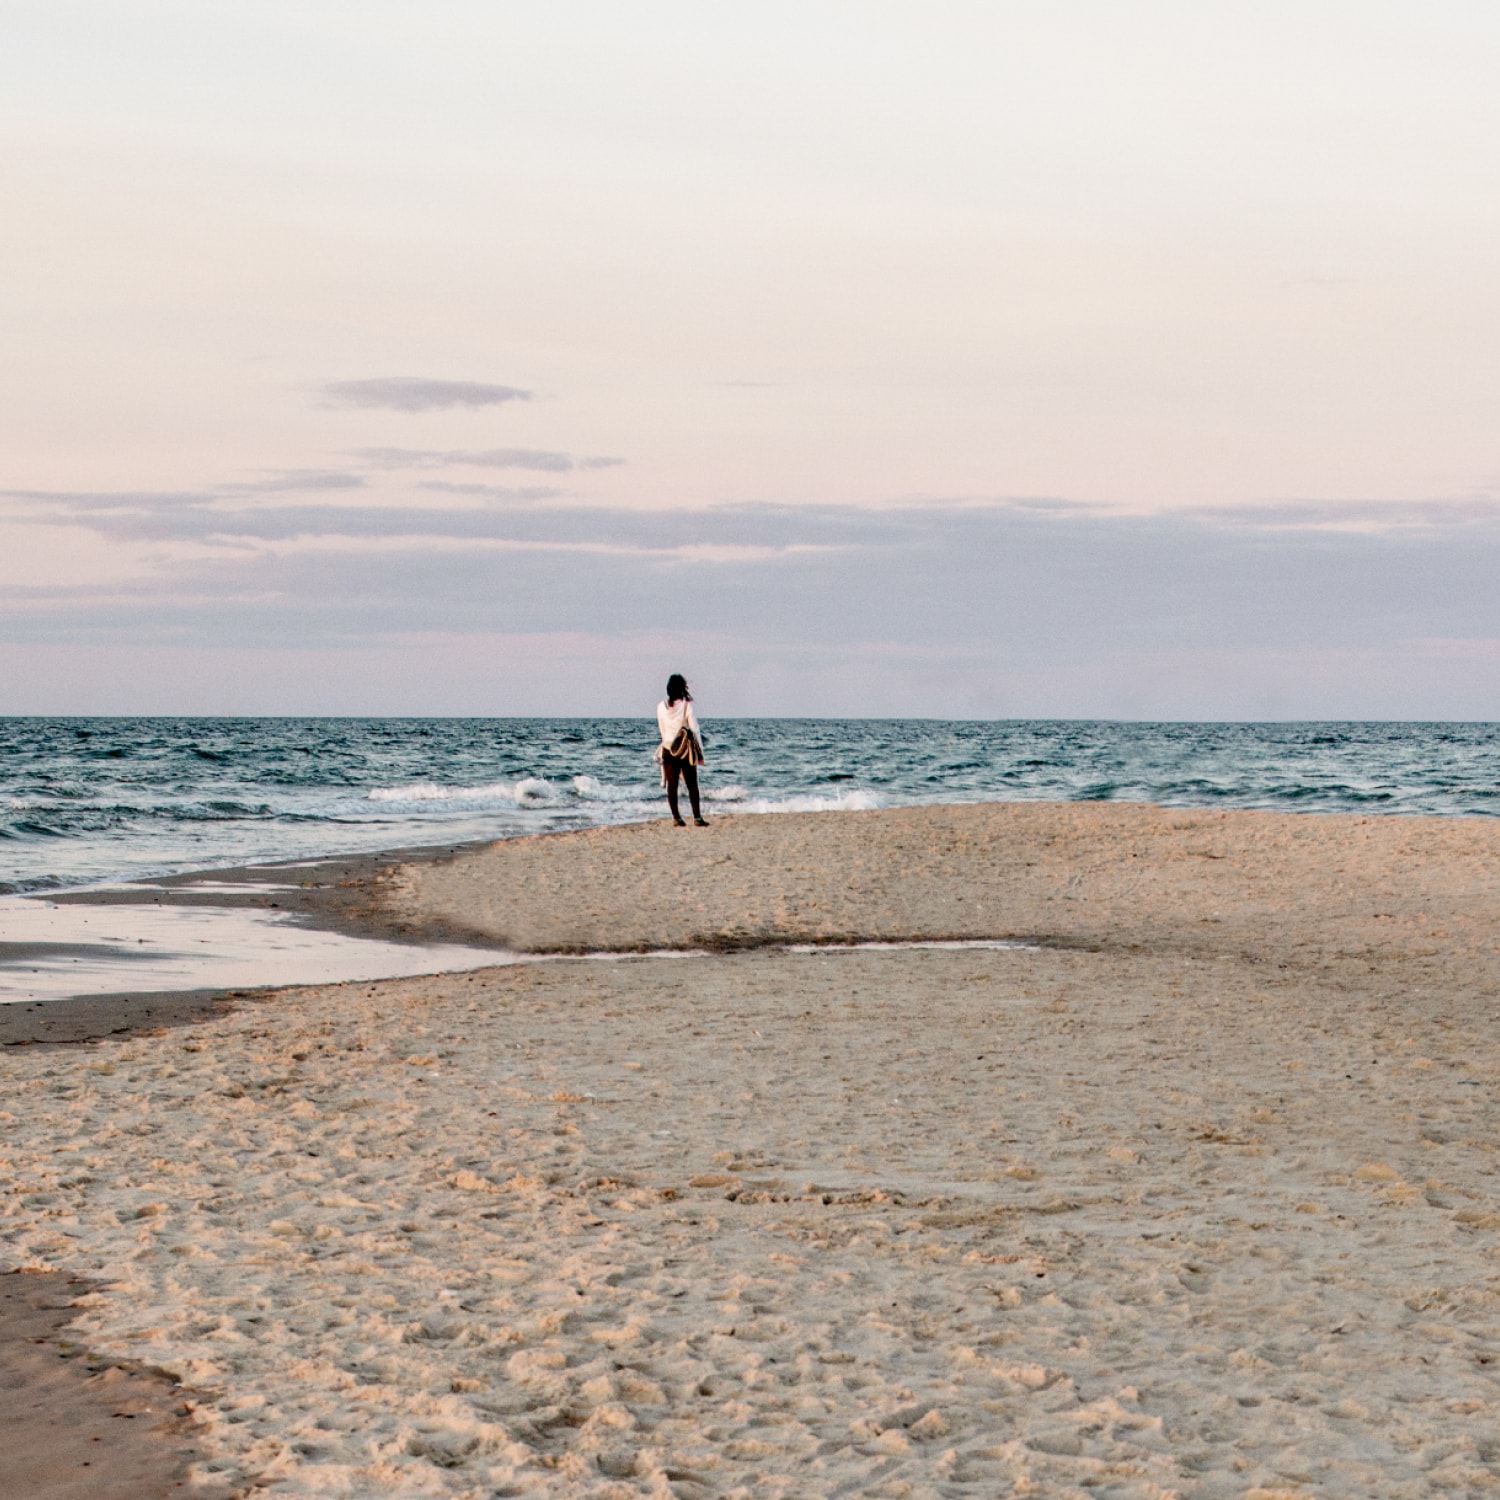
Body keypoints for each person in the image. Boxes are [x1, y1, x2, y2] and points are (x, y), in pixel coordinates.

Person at [656, 673, 707, 826]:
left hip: (668, 748)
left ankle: (676, 818)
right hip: (685, 750)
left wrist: (668, 743)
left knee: (672, 785)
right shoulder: (686, 706)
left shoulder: (660, 707)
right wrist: (700, 753)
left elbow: (662, 729)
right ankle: (697, 817)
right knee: (692, 784)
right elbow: (694, 729)